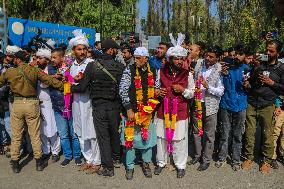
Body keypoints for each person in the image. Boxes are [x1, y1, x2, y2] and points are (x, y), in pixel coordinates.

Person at [0, 50, 63, 173]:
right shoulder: (34, 70)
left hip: (17, 104)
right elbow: (49, 80)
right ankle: (39, 162)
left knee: (16, 135)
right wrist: (65, 86)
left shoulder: (10, 72)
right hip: (32, 104)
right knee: (35, 135)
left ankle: (15, 163)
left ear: (17, 60)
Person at [71, 39, 124, 177]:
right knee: (114, 134)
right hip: (114, 107)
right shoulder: (120, 67)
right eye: (115, 49)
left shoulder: (92, 66)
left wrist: (67, 86)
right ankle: (117, 158)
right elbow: (123, 90)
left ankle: (108, 168)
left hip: (98, 107)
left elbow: (82, 87)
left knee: (103, 137)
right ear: (111, 50)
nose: (117, 51)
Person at [154, 33, 195, 178]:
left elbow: (192, 93)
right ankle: (161, 162)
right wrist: (157, 92)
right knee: (161, 138)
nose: (178, 61)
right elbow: (155, 88)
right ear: (170, 59)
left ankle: (180, 165)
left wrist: (183, 90)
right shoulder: (160, 71)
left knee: (180, 139)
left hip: (180, 111)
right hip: (162, 110)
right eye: (176, 58)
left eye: (181, 58)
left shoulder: (187, 74)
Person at [242, 40, 284, 173]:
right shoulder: (260, 64)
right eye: (267, 50)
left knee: (267, 134)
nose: (267, 53)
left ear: (278, 53)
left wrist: (272, 83)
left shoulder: (281, 68)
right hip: (252, 102)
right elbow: (251, 80)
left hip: (268, 104)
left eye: (271, 51)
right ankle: (248, 157)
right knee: (249, 132)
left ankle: (266, 161)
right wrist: (256, 66)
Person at [119, 47, 159, 180]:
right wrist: (129, 109)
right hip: (132, 113)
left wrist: (157, 93)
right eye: (134, 57)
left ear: (146, 59)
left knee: (146, 141)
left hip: (147, 114)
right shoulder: (128, 70)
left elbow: (156, 89)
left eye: (138, 58)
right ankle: (129, 166)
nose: (135, 61)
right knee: (130, 141)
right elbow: (123, 91)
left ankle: (146, 164)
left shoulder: (153, 71)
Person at [68, 29, 101, 170]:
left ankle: (96, 161)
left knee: (92, 132)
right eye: (79, 49)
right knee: (80, 132)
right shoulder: (71, 66)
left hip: (89, 103)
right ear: (74, 50)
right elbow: (68, 84)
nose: (82, 52)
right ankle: (88, 159)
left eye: (84, 49)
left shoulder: (92, 63)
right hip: (76, 103)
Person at [190, 45, 224, 171]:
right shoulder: (199, 63)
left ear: (217, 58)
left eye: (211, 57)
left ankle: (206, 159)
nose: (208, 58)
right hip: (197, 103)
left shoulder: (220, 69)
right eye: (207, 55)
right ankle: (197, 155)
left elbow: (221, 91)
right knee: (196, 131)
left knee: (209, 134)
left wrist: (208, 86)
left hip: (211, 106)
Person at [215, 46, 249, 171]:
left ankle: (235, 160)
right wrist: (223, 74)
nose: (237, 57)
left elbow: (250, 87)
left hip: (241, 105)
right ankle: (222, 157)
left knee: (237, 134)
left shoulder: (246, 69)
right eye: (234, 54)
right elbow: (219, 85)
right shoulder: (225, 68)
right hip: (225, 104)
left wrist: (247, 85)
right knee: (224, 132)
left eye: (240, 54)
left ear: (244, 55)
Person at [49, 48, 81, 167]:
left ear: (62, 58)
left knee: (74, 133)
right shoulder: (51, 69)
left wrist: (68, 79)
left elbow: (75, 83)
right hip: (57, 107)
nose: (52, 60)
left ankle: (77, 155)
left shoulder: (71, 68)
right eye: (51, 57)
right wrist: (54, 77)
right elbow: (46, 81)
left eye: (54, 57)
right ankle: (68, 156)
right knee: (63, 134)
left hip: (71, 106)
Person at [36, 46, 61, 163]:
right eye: (36, 58)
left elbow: (46, 83)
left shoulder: (51, 69)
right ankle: (46, 151)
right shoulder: (35, 69)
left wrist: (49, 77)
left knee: (52, 129)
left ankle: (55, 151)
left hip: (49, 103)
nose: (37, 60)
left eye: (40, 58)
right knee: (42, 131)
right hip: (38, 104)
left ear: (46, 59)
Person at [272, 96, 284, 169]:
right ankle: (272, 157)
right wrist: (277, 105)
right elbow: (275, 92)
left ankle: (282, 154)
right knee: (275, 134)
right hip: (279, 109)